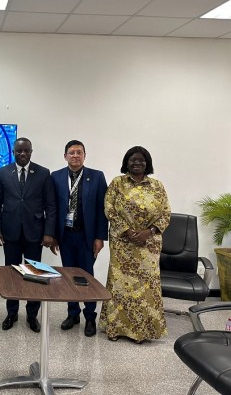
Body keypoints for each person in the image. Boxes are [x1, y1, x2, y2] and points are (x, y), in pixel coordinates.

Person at [98, 146, 170, 343]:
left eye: (141, 160)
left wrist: (149, 232)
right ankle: (115, 329)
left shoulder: (157, 186)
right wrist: (128, 231)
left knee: (146, 288)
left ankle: (142, 332)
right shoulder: (117, 183)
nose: (137, 163)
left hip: (149, 245)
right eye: (133, 160)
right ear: (126, 163)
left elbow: (165, 214)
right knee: (120, 286)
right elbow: (109, 210)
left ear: (147, 163)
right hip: (123, 244)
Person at [0, 137, 56, 333]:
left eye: (26, 150)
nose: (22, 154)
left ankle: (32, 315)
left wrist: (49, 233)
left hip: (35, 233)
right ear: (13, 152)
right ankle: (11, 313)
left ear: (31, 152)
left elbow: (50, 206)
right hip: (10, 233)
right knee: (11, 275)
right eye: (19, 151)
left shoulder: (43, 173)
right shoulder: (3, 172)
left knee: (34, 275)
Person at [50, 140, 108, 337]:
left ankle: (90, 316)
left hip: (86, 237)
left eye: (79, 152)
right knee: (68, 277)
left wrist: (100, 237)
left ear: (84, 155)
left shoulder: (97, 177)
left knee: (86, 277)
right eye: (71, 152)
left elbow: (102, 210)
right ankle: (72, 314)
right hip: (65, 236)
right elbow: (53, 208)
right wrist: (53, 236)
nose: (75, 155)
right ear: (65, 156)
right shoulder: (56, 176)